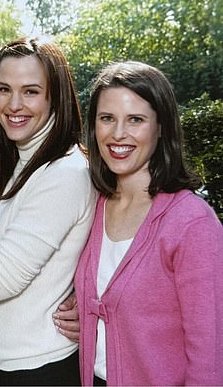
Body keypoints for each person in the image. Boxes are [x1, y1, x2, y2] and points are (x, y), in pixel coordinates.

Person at [75, 61, 223, 386]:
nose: (117, 134)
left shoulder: (192, 222)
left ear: (161, 127)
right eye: (107, 118)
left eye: (136, 120)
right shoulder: (93, 205)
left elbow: (209, 359)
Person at [0, 37, 96, 385]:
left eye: (31, 91)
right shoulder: (17, 162)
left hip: (39, 369)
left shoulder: (65, 173)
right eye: (4, 89)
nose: (13, 104)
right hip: (1, 363)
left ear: (55, 96)